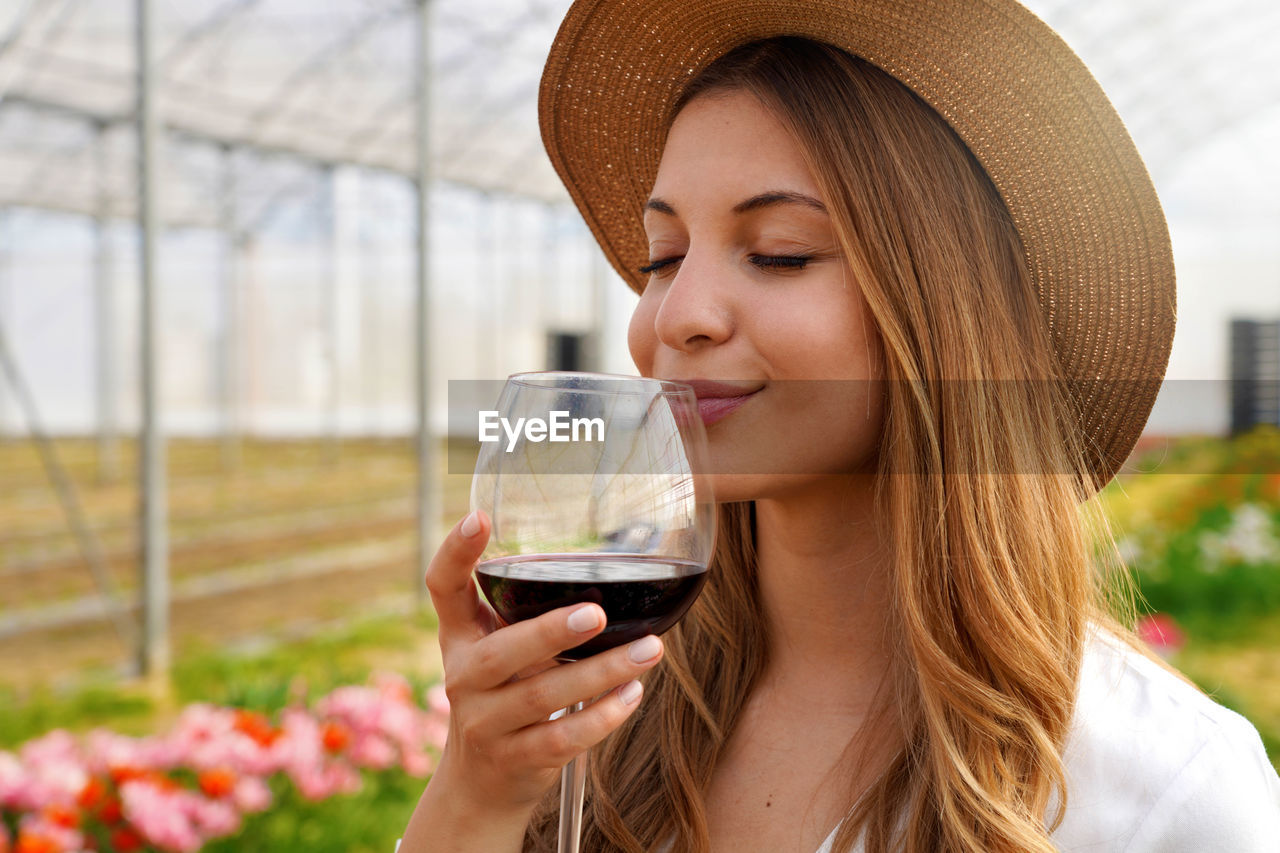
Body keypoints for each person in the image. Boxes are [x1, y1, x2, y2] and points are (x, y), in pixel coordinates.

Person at [401, 1, 1280, 851]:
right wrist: (476, 794)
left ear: (943, 315)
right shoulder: (601, 712)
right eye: (663, 258)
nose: (677, 315)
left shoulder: (1169, 797)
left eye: (780, 251)